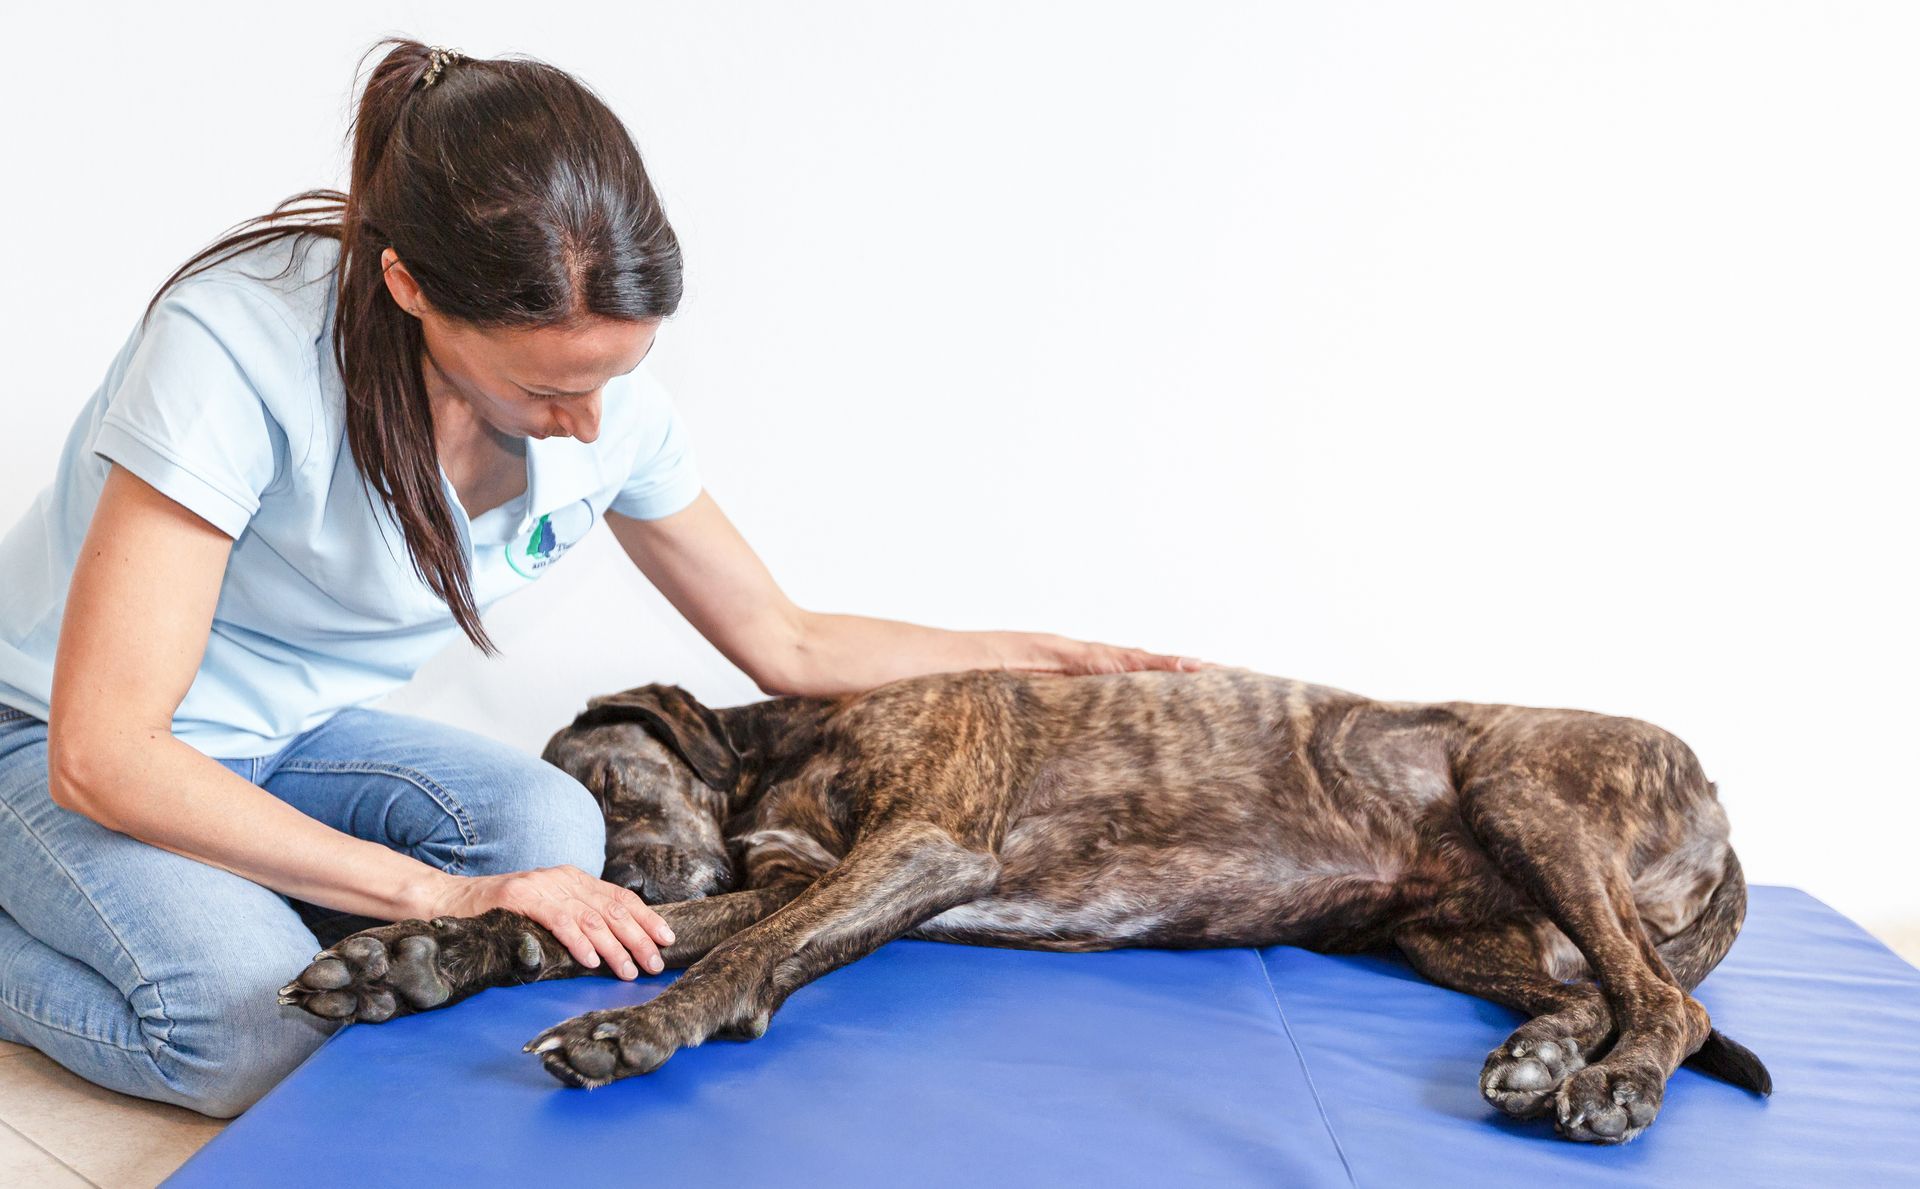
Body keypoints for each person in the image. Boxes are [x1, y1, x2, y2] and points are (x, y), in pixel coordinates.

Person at [0, 39, 1204, 1118]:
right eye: (544, 389)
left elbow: (788, 641)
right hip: (52, 738)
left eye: (612, 379)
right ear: (410, 286)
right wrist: (440, 898)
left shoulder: (606, 409)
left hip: (290, 736)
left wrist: (1056, 657)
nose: (587, 425)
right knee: (253, 1030)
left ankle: (234, 895)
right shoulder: (235, 346)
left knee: (551, 833)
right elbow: (106, 752)